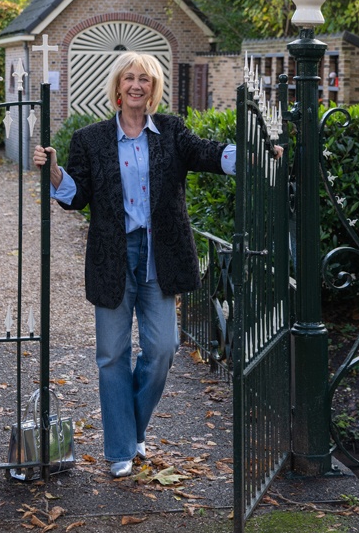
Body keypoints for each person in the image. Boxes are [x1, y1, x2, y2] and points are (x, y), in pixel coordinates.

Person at [33, 51, 238, 479]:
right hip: (112, 255)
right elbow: (77, 196)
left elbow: (206, 154)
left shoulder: (170, 132)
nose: (136, 86)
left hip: (158, 254)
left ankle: (131, 427)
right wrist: (53, 173)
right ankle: (121, 450)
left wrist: (252, 152)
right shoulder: (91, 139)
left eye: (144, 79)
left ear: (153, 88)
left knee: (164, 348)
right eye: (129, 78)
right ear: (118, 86)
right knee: (112, 355)